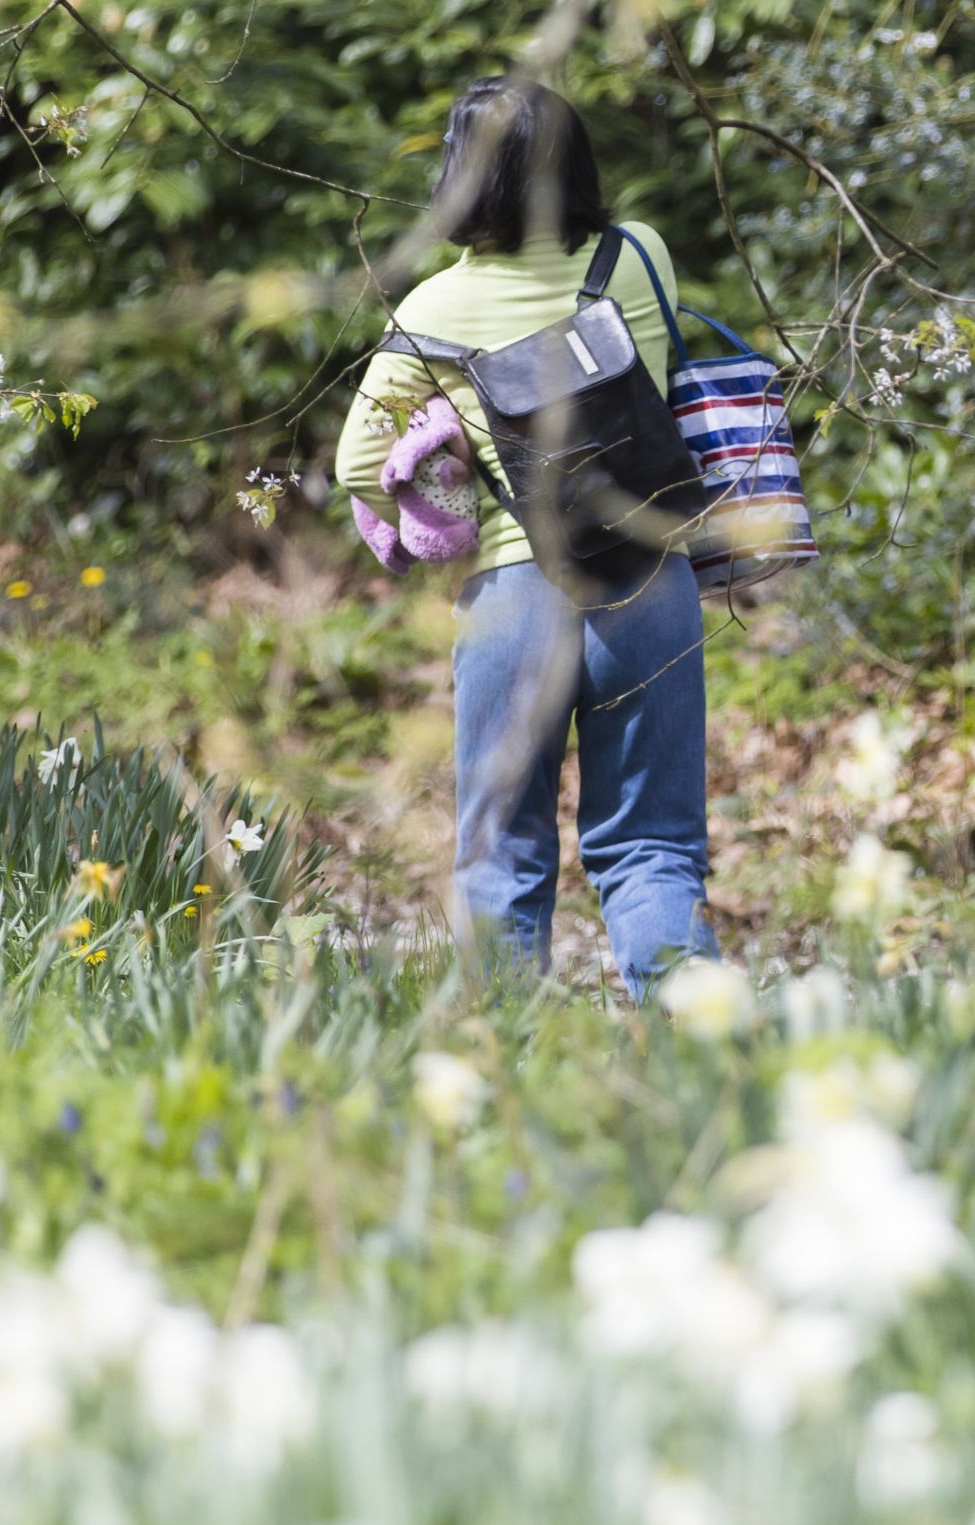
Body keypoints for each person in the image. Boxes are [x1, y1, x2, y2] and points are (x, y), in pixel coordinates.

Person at [336, 77, 716, 996]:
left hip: (514, 603)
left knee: (501, 851)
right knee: (654, 848)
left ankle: (506, 1073)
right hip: (649, 586)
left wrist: (445, 498)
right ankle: (704, 1049)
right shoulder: (640, 257)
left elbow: (356, 464)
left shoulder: (432, 310)